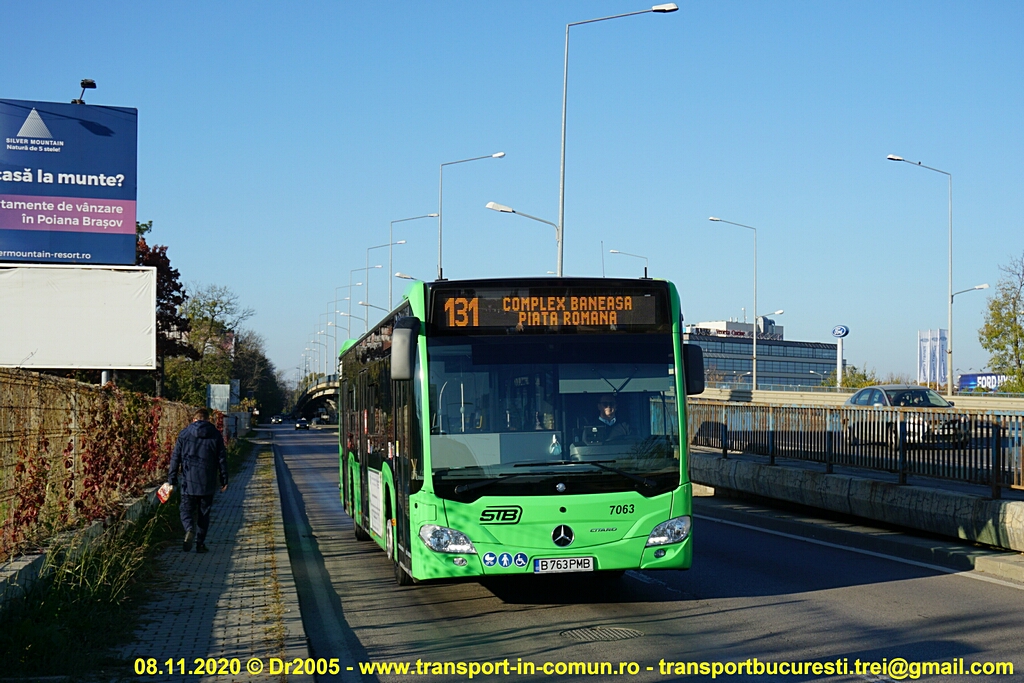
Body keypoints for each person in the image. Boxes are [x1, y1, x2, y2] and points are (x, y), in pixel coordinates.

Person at [168, 408, 228, 553]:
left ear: (194, 419)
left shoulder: (184, 434)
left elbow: (175, 458)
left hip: (188, 482)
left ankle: (189, 529)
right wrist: (224, 479)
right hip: (208, 482)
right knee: (204, 514)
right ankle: (200, 544)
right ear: (208, 419)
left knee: (185, 510)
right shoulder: (215, 434)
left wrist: (172, 479)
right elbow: (222, 459)